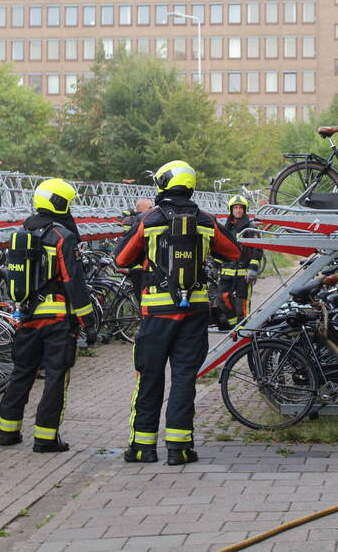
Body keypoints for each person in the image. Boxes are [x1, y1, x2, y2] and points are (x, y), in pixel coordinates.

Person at [114, 161, 240, 465]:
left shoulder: (150, 220)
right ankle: (179, 448)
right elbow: (233, 252)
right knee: (184, 378)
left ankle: (142, 447)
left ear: (163, 186)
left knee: (149, 377)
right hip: (194, 312)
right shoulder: (206, 221)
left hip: (157, 312)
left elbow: (121, 258)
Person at [0, 178, 96, 453]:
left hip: (28, 315)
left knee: (22, 373)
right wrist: (88, 321)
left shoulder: (24, 232)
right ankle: (46, 437)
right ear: (60, 203)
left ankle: (8, 431)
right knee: (55, 377)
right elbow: (73, 280)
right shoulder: (62, 236)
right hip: (56, 319)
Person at [215, 195, 262, 331]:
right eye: (235, 208)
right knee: (222, 299)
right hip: (227, 272)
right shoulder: (225, 228)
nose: (238, 211)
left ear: (244, 210)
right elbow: (220, 248)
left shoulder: (251, 228)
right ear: (231, 210)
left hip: (244, 273)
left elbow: (257, 250)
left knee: (242, 304)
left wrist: (253, 269)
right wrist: (216, 266)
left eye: (240, 208)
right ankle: (233, 325)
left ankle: (244, 331)